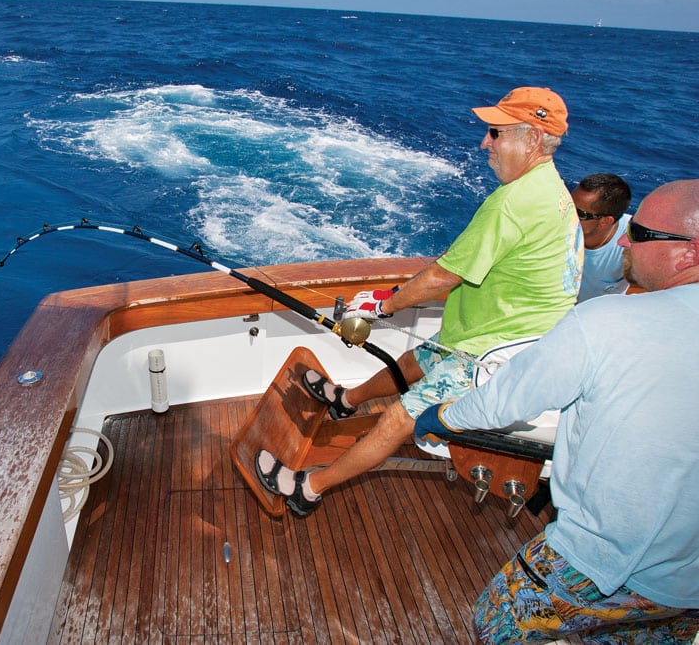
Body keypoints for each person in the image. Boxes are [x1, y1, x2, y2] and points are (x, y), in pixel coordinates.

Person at [255, 86, 583, 516]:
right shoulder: (552, 189)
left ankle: (307, 488)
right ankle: (345, 401)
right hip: (497, 333)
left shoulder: (514, 203)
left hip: (498, 355)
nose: (485, 142)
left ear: (534, 139)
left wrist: (382, 306)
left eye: (495, 133)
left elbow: (444, 277)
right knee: (416, 360)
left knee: (396, 420)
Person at [415, 179, 699, 644]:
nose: (626, 239)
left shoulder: (606, 321)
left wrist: (443, 418)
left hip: (599, 561)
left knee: (494, 622)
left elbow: (507, 399)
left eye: (642, 234)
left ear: (689, 253)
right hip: (687, 586)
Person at [573, 172, 633, 302]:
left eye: (579, 213)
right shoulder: (556, 220)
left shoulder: (632, 243)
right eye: (567, 204)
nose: (567, 214)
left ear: (605, 221)